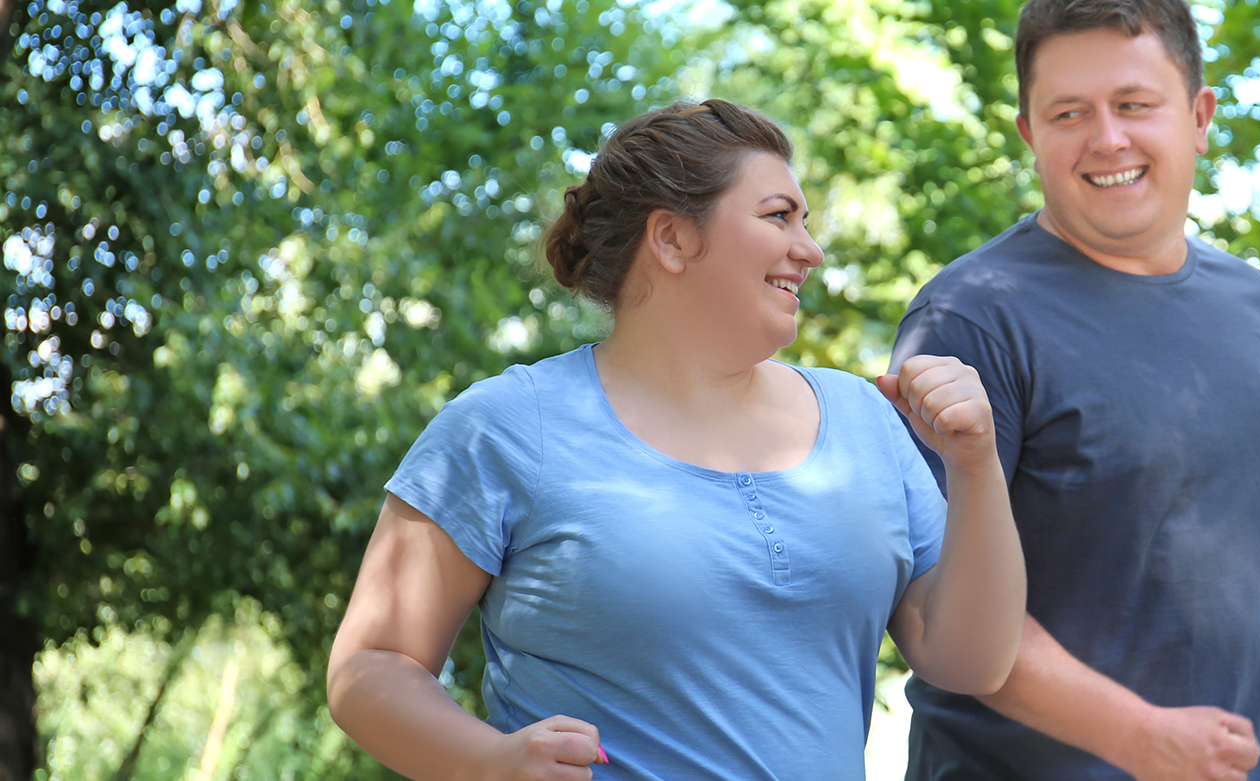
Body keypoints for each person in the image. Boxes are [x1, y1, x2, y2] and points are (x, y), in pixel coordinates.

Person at [325, 99, 1025, 781]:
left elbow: (972, 660)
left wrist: (976, 463)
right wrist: (486, 762)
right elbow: (372, 666)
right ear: (672, 238)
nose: (810, 250)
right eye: (779, 216)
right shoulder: (509, 425)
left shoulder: (866, 418)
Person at [889, 2, 1260, 780]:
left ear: (1198, 116)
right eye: (1069, 113)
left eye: (1133, 105)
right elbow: (930, 602)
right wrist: (1137, 734)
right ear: (1030, 133)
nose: (1107, 139)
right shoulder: (972, 317)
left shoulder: (1254, 302)